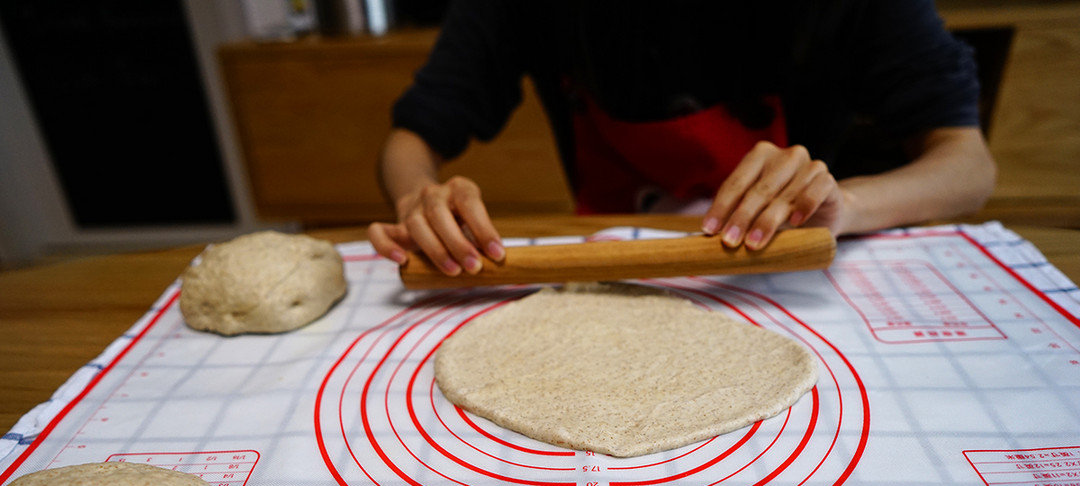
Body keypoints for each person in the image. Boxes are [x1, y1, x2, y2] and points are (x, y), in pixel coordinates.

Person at [368, 0, 996, 277]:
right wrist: (417, 198)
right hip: (604, 268)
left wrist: (849, 205)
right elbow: (411, 139)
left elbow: (967, 164)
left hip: (791, 274)